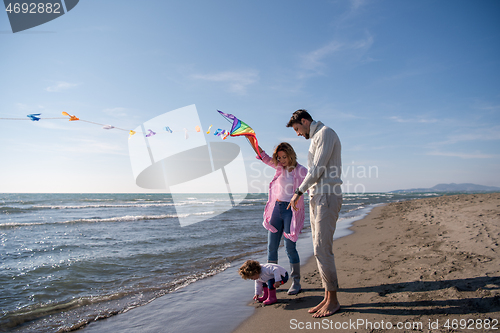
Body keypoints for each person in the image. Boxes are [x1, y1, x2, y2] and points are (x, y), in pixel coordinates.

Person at [286, 109, 343, 318]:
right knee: (318, 248)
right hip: (317, 196)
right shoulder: (315, 138)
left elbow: (317, 168)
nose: (298, 134)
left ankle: (334, 300)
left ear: (304, 121)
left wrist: (298, 191)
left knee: (321, 248)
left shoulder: (326, 133)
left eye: (297, 129)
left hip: (327, 195)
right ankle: (328, 297)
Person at [257, 142, 307, 295]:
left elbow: (312, 184)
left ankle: (296, 282)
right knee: (272, 248)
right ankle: (272, 281)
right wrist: (251, 138)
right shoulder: (279, 167)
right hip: (276, 209)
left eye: (284, 157)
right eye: (279, 158)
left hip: (290, 211)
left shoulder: (301, 170)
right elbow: (263, 156)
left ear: (291, 154)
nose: (282, 160)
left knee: (289, 248)